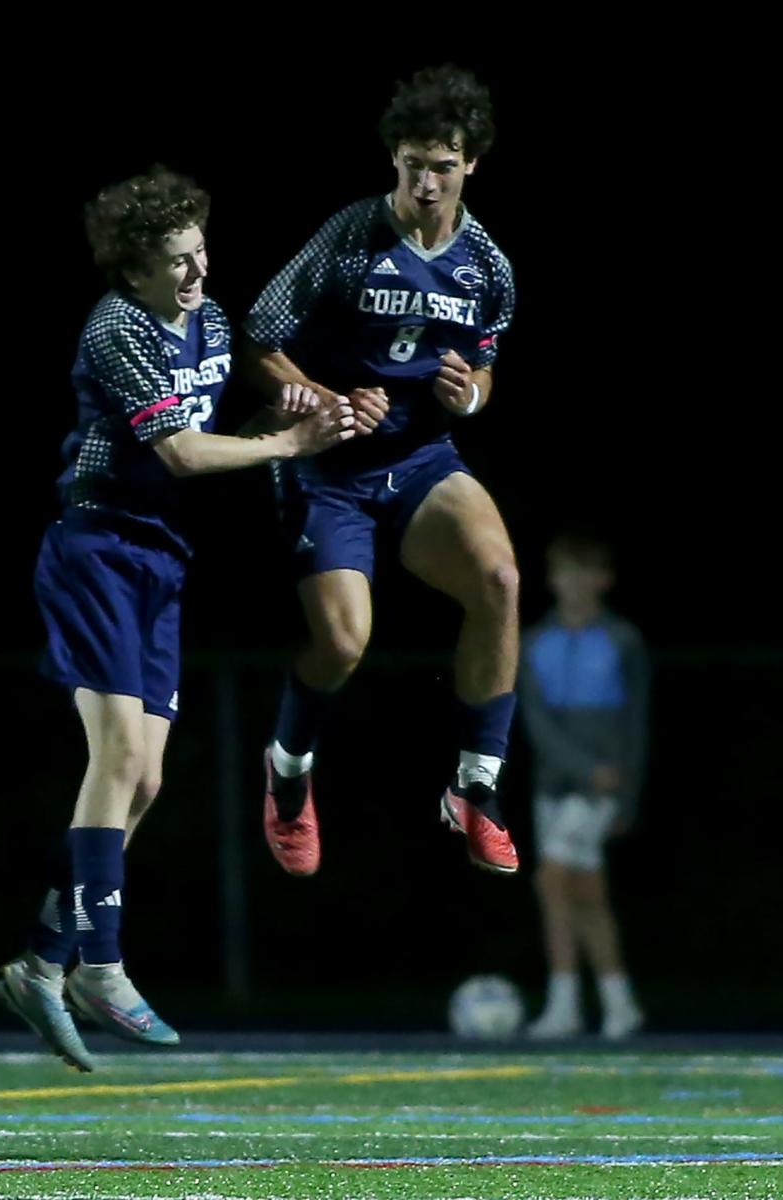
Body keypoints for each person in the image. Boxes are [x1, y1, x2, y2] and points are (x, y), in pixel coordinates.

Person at [0, 167, 354, 1071]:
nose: (197, 273)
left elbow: (231, 418)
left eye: (200, 252)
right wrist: (285, 443)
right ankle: (100, 966)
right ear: (134, 270)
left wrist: (305, 410)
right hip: (97, 547)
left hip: (161, 557)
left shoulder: (212, 315)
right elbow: (185, 451)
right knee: (117, 755)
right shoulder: (115, 329)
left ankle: (43, 960)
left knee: (145, 781)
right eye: (177, 262)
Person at [242, 65, 520, 878]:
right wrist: (323, 401)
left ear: (471, 164)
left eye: (443, 164)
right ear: (392, 161)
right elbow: (258, 340)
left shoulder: (488, 268)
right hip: (328, 467)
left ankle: (476, 785)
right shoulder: (349, 238)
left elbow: (488, 367)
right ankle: (289, 769)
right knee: (344, 642)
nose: (426, 183)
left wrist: (470, 396)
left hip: (420, 458)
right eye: (412, 165)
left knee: (499, 579)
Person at [519, 531, 648, 1040]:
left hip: (602, 785)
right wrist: (577, 766)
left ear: (603, 580)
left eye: (583, 573)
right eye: (564, 573)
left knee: (550, 880)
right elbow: (536, 719)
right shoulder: (535, 642)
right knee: (582, 894)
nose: (572, 584)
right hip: (555, 783)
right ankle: (617, 1003)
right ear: (552, 581)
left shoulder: (622, 640)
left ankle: (565, 1001)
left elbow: (636, 722)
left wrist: (625, 792)